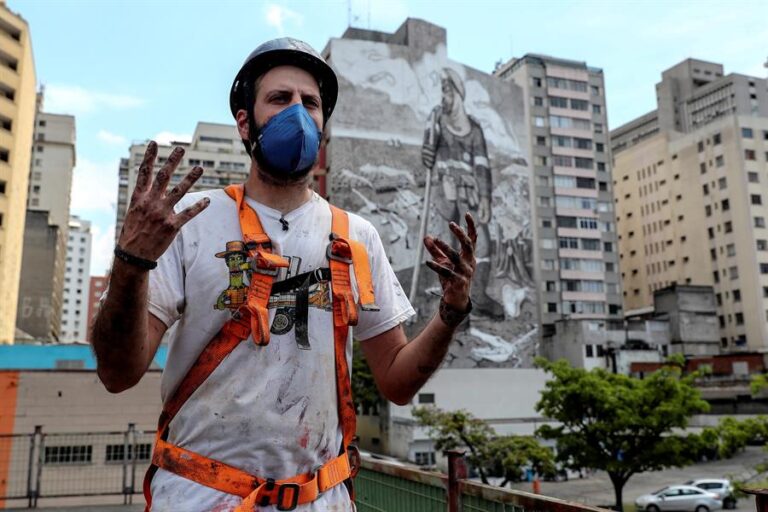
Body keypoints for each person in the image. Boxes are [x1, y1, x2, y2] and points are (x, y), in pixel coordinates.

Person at [92, 38, 478, 511]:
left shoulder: (357, 237)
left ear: (322, 126)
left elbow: (397, 380)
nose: (297, 112)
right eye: (279, 99)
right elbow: (117, 373)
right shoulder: (191, 222)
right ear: (244, 122)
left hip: (323, 499)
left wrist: (452, 311)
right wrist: (132, 262)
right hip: (200, 498)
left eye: (309, 103)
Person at [421, 68, 504, 319]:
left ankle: (477, 296)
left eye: (447, 91)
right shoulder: (437, 120)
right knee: (445, 244)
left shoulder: (474, 129)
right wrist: (427, 153)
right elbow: (428, 151)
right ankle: (450, 301)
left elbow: (482, 166)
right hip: (445, 190)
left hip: (469, 192)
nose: (443, 97)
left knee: (483, 242)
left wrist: (486, 198)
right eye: (442, 91)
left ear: (457, 94)